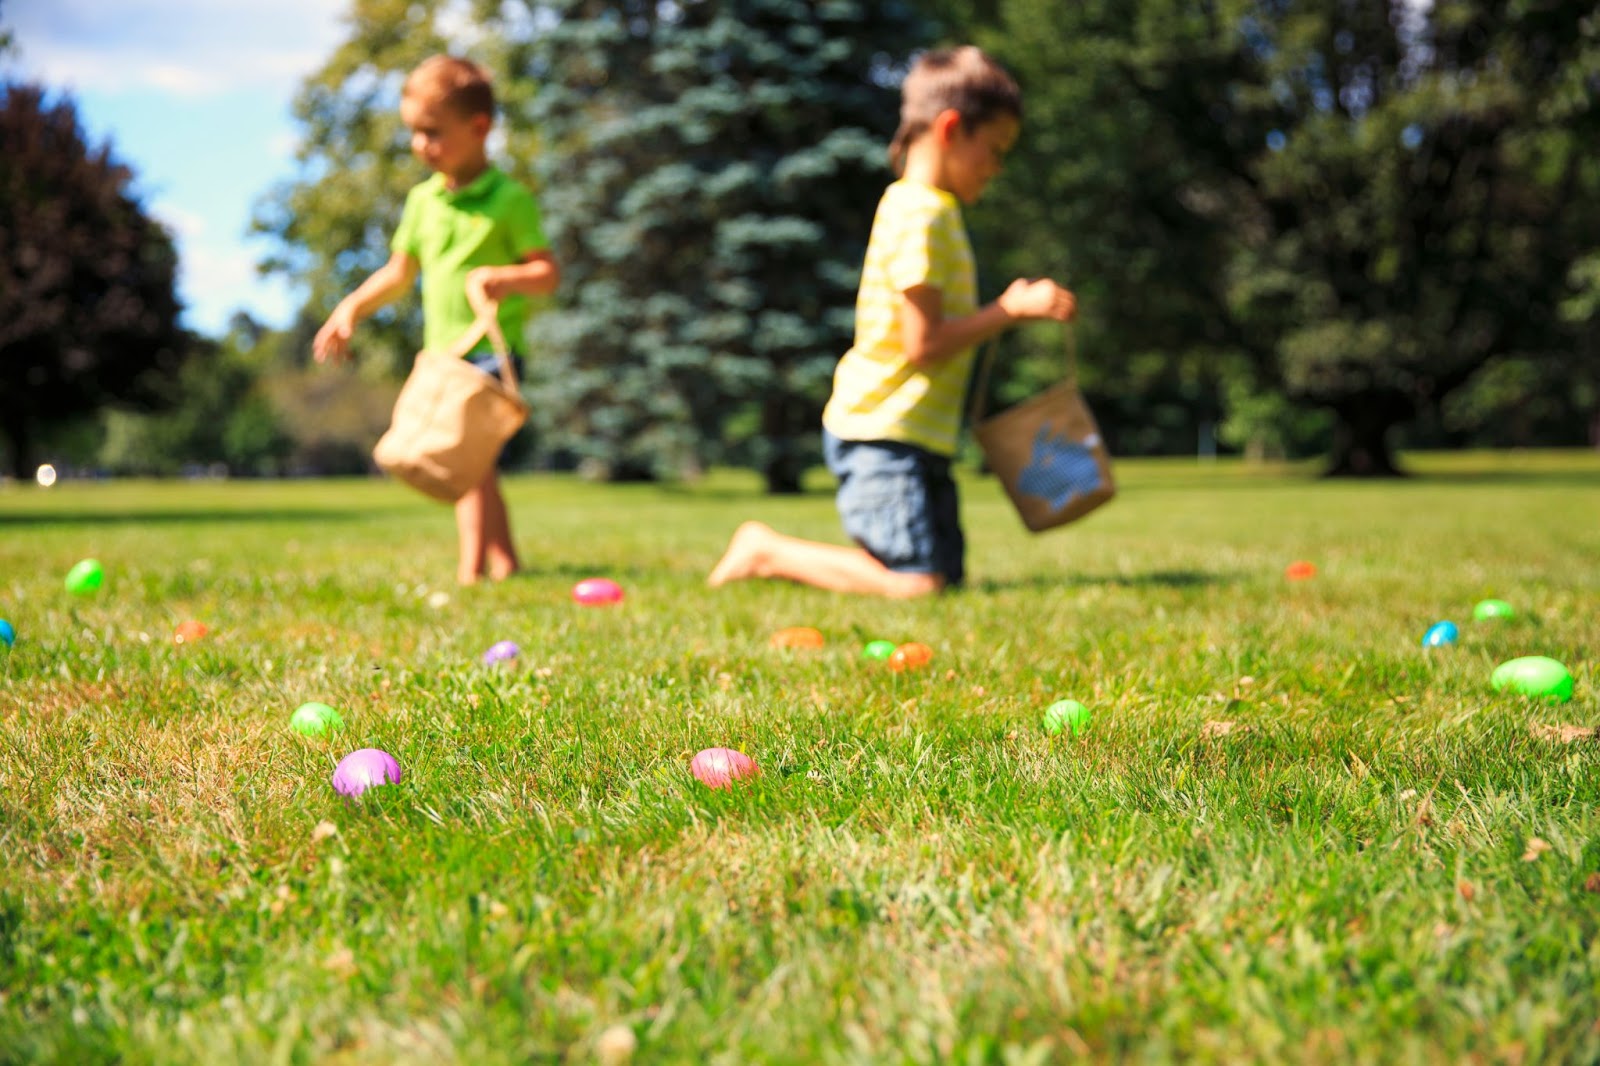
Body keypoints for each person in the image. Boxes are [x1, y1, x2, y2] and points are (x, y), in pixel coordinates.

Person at [709, 46, 1077, 598]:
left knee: (943, 581)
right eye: (995, 150)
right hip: (884, 433)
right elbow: (922, 343)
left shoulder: (934, 210)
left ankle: (778, 553)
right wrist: (1007, 311)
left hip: (914, 435)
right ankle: (766, 550)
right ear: (951, 128)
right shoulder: (919, 213)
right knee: (916, 585)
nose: (997, 168)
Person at [313, 55, 559, 585]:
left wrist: (503, 277)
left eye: (432, 133)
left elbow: (545, 273)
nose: (419, 145)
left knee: (462, 458)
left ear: (480, 128)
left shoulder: (510, 200)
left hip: (489, 349)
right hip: (441, 353)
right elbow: (400, 272)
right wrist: (351, 306)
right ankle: (506, 561)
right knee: (476, 464)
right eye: (414, 133)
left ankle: (473, 569)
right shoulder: (423, 202)